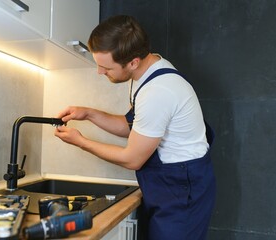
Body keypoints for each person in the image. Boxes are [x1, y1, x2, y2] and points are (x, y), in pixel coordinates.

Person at [54, 15, 216, 240]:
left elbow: (132, 159)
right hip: (171, 185)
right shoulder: (149, 70)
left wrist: (80, 141)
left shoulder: (158, 91)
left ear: (133, 62)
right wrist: (88, 113)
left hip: (182, 191)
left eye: (105, 67)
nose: (99, 72)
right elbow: (131, 125)